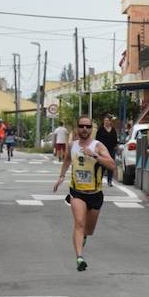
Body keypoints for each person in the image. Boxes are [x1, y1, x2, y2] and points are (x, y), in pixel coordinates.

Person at [52, 117, 116, 272]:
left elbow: (112, 165)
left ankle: (84, 237)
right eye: (81, 126)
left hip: (95, 193)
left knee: (89, 230)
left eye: (88, 126)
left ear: (91, 128)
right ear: (77, 128)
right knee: (79, 223)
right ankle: (79, 258)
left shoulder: (98, 146)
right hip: (77, 192)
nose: (85, 129)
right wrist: (61, 176)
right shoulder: (72, 145)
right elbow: (67, 159)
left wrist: (95, 155)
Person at [96, 115, 120, 186]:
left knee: (110, 165)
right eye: (105, 121)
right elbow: (97, 140)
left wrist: (116, 147)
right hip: (102, 150)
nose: (106, 122)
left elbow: (115, 140)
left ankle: (109, 180)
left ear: (110, 122)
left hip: (111, 149)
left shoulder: (113, 130)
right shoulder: (100, 130)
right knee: (102, 165)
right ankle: (99, 180)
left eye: (107, 121)